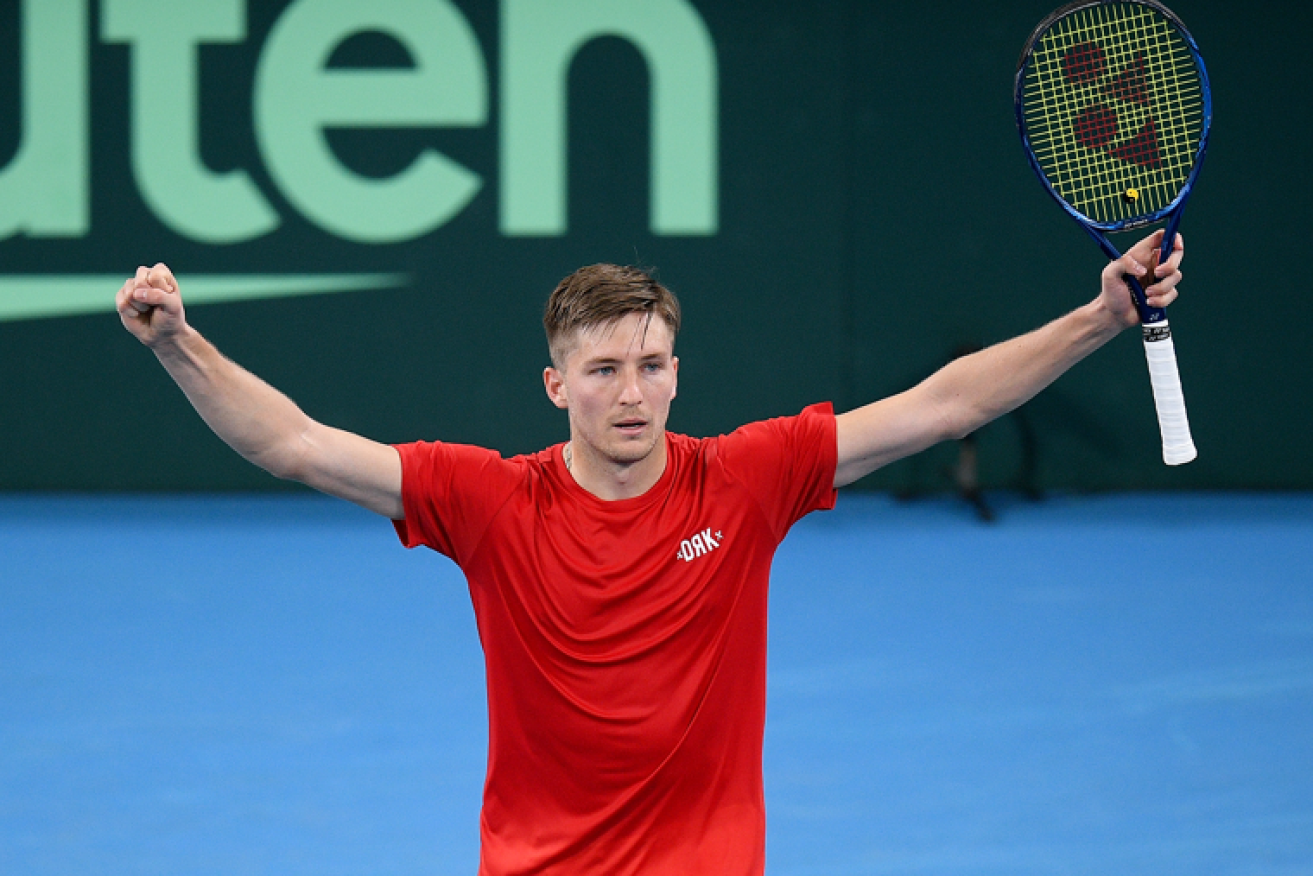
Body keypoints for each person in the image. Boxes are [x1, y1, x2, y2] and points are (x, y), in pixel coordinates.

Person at [116, 230, 1184, 875]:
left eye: (650, 364)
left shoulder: (748, 477)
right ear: (555, 385)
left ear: (677, 372)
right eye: (601, 371)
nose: (629, 393)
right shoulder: (486, 499)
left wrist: (1095, 320)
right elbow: (295, 444)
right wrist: (176, 343)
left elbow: (942, 403)